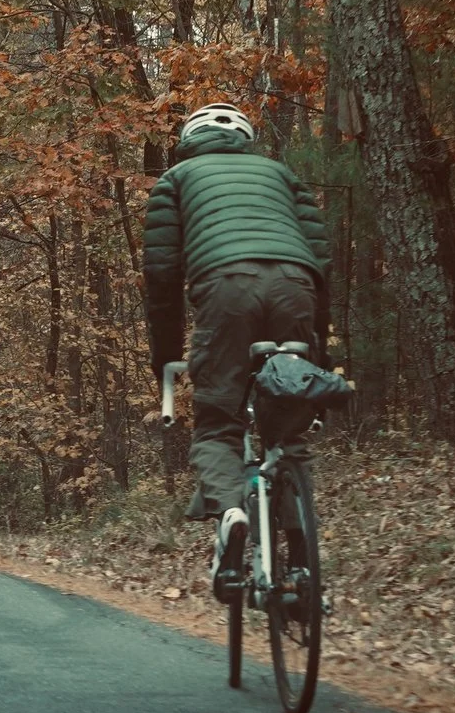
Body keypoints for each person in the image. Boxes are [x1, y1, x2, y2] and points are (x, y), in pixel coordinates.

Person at [140, 101, 328, 591]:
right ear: (245, 139)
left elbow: (161, 275)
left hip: (226, 289)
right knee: (287, 429)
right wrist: (319, 356)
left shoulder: (176, 179)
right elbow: (321, 262)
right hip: (296, 285)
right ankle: (304, 560)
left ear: (188, 139)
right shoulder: (281, 174)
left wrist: (164, 356)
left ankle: (231, 514)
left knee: (219, 421)